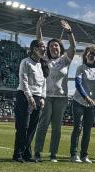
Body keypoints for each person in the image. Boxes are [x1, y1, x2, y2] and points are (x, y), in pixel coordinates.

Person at [33, 16, 76, 162]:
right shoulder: (44, 59)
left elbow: (73, 48)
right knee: (43, 124)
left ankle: (53, 154)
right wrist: (39, 27)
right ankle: (37, 152)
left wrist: (69, 32)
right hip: (46, 97)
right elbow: (39, 41)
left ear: (60, 47)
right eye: (51, 46)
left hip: (61, 98)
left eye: (56, 45)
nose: (53, 47)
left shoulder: (65, 59)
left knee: (57, 128)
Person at [70, 45, 95, 163]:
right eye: (89, 53)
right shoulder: (81, 68)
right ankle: (74, 154)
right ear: (85, 55)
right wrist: (85, 97)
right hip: (79, 102)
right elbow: (78, 84)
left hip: (92, 104)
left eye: (94, 54)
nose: (91, 55)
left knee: (87, 130)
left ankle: (84, 155)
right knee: (78, 128)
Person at [13, 40, 47, 162]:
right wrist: (29, 97)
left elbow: (44, 83)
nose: (45, 49)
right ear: (34, 49)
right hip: (24, 96)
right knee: (23, 126)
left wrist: (42, 97)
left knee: (32, 127)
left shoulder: (41, 64)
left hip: (37, 97)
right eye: (42, 46)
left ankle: (27, 154)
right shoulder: (25, 62)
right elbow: (24, 80)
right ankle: (17, 154)